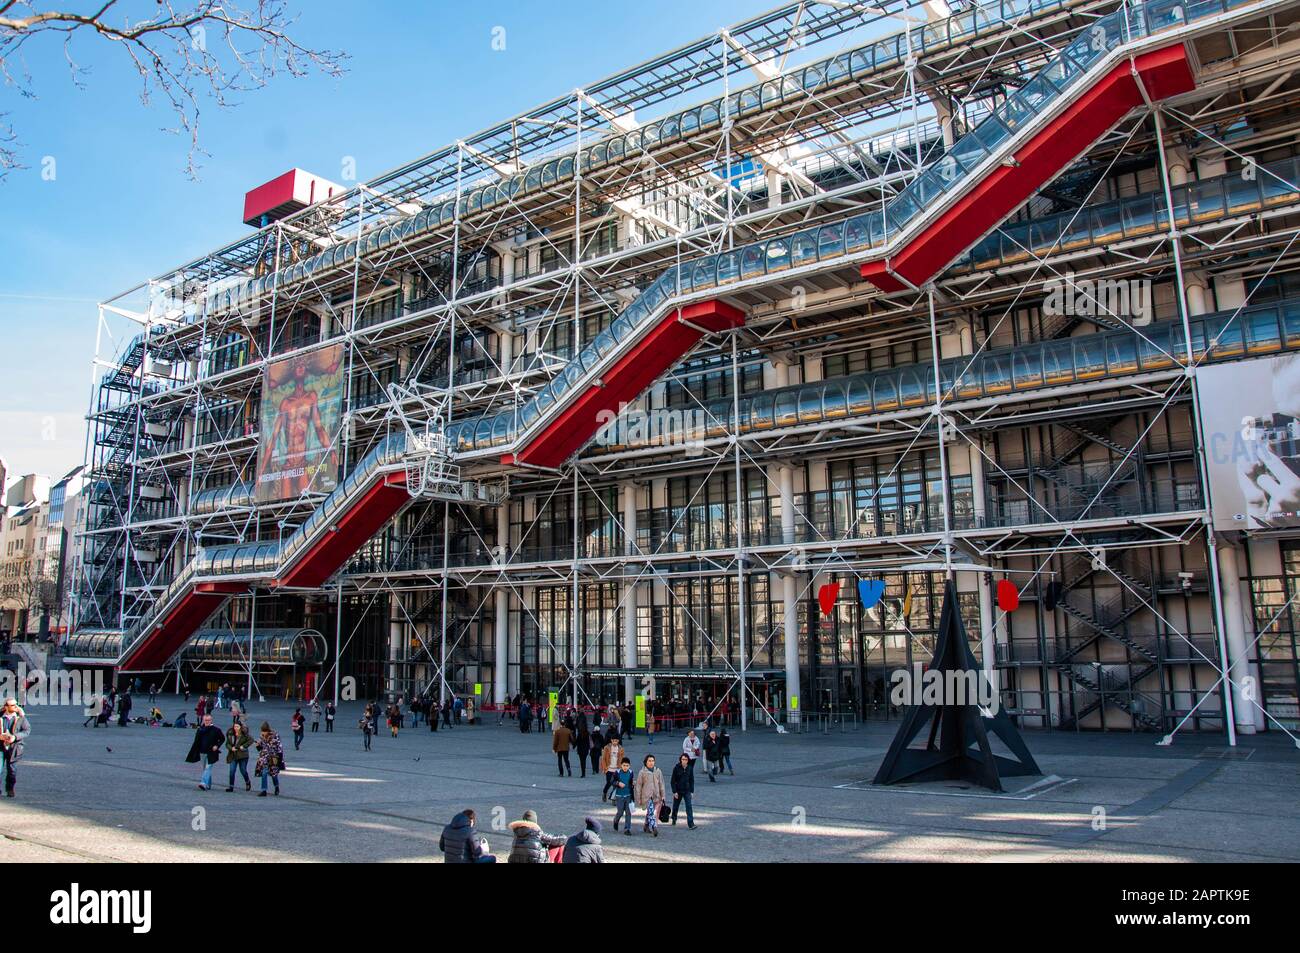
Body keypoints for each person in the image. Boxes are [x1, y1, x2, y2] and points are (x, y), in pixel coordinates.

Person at [0, 698, 31, 798]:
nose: (15, 707)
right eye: (12, 705)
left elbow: (27, 730)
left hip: (14, 747)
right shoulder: (0, 716)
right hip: (0, 747)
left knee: (12, 770)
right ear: (6, 707)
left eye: (15, 705)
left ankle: (10, 789)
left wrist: (15, 737)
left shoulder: (20, 717)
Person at [186, 713, 225, 791]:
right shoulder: (200, 729)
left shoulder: (216, 730)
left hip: (212, 752)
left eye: (208, 720)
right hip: (202, 752)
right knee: (206, 769)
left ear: (211, 720)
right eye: (205, 720)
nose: (207, 721)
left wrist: (217, 746)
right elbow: (196, 741)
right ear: (203, 720)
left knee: (208, 768)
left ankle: (203, 783)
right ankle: (208, 785)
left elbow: (222, 739)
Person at [634, 753, 666, 837]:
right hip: (647, 796)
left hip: (656, 795)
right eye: (649, 761)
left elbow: (661, 784)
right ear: (646, 762)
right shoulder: (642, 772)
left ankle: (646, 825)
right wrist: (638, 798)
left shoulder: (658, 771)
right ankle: (654, 827)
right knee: (652, 812)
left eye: (652, 761)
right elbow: (638, 786)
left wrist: (663, 795)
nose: (651, 762)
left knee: (651, 812)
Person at [254, 721, 284, 796]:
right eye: (262, 732)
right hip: (264, 758)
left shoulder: (275, 736)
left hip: (274, 758)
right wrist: (257, 745)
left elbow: (280, 748)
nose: (263, 733)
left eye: (265, 732)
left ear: (268, 731)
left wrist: (280, 761)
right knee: (264, 773)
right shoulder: (261, 737)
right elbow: (260, 749)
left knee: (274, 775)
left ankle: (276, 787)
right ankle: (264, 790)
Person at [670, 753, 697, 829]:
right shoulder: (676, 768)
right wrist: (674, 791)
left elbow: (691, 780)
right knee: (675, 806)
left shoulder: (690, 768)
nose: (684, 761)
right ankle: (674, 818)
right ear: (680, 760)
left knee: (689, 806)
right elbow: (672, 781)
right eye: (682, 759)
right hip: (678, 790)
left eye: (685, 759)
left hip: (687, 790)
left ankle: (691, 824)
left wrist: (692, 791)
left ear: (688, 760)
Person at [225, 721, 253, 792]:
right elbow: (227, 743)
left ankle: (247, 782)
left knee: (243, 770)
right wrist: (231, 748)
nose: (236, 728)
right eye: (235, 726)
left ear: (240, 727)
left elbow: (251, 740)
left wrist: (243, 746)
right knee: (232, 771)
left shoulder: (244, 734)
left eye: (237, 727)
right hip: (233, 755)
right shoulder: (230, 733)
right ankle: (231, 787)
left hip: (243, 755)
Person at [599, 732, 628, 801]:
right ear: (611, 740)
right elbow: (603, 758)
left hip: (617, 769)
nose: (615, 742)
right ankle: (604, 792)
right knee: (609, 783)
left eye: (616, 740)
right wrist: (605, 768)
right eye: (613, 740)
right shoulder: (607, 748)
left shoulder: (621, 748)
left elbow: (623, 759)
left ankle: (613, 799)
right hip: (609, 769)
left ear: (618, 741)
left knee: (616, 785)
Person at [610, 757, 635, 836]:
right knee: (620, 812)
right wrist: (618, 783)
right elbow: (612, 781)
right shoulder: (617, 772)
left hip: (628, 795)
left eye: (627, 765)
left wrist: (633, 784)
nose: (625, 767)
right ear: (621, 765)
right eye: (624, 765)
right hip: (619, 795)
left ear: (629, 766)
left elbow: (631, 782)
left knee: (628, 813)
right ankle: (616, 821)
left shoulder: (631, 772)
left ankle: (627, 829)